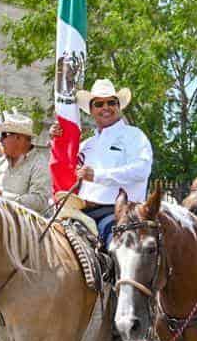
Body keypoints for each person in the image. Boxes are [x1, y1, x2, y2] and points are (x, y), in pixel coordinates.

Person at [49, 78, 153, 248]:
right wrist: (58, 142)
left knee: (118, 251)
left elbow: (141, 170)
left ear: (118, 107)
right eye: (99, 104)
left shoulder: (134, 135)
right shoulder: (86, 145)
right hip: (83, 213)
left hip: (121, 213)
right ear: (91, 110)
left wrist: (98, 175)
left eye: (111, 102)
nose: (105, 107)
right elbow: (66, 171)